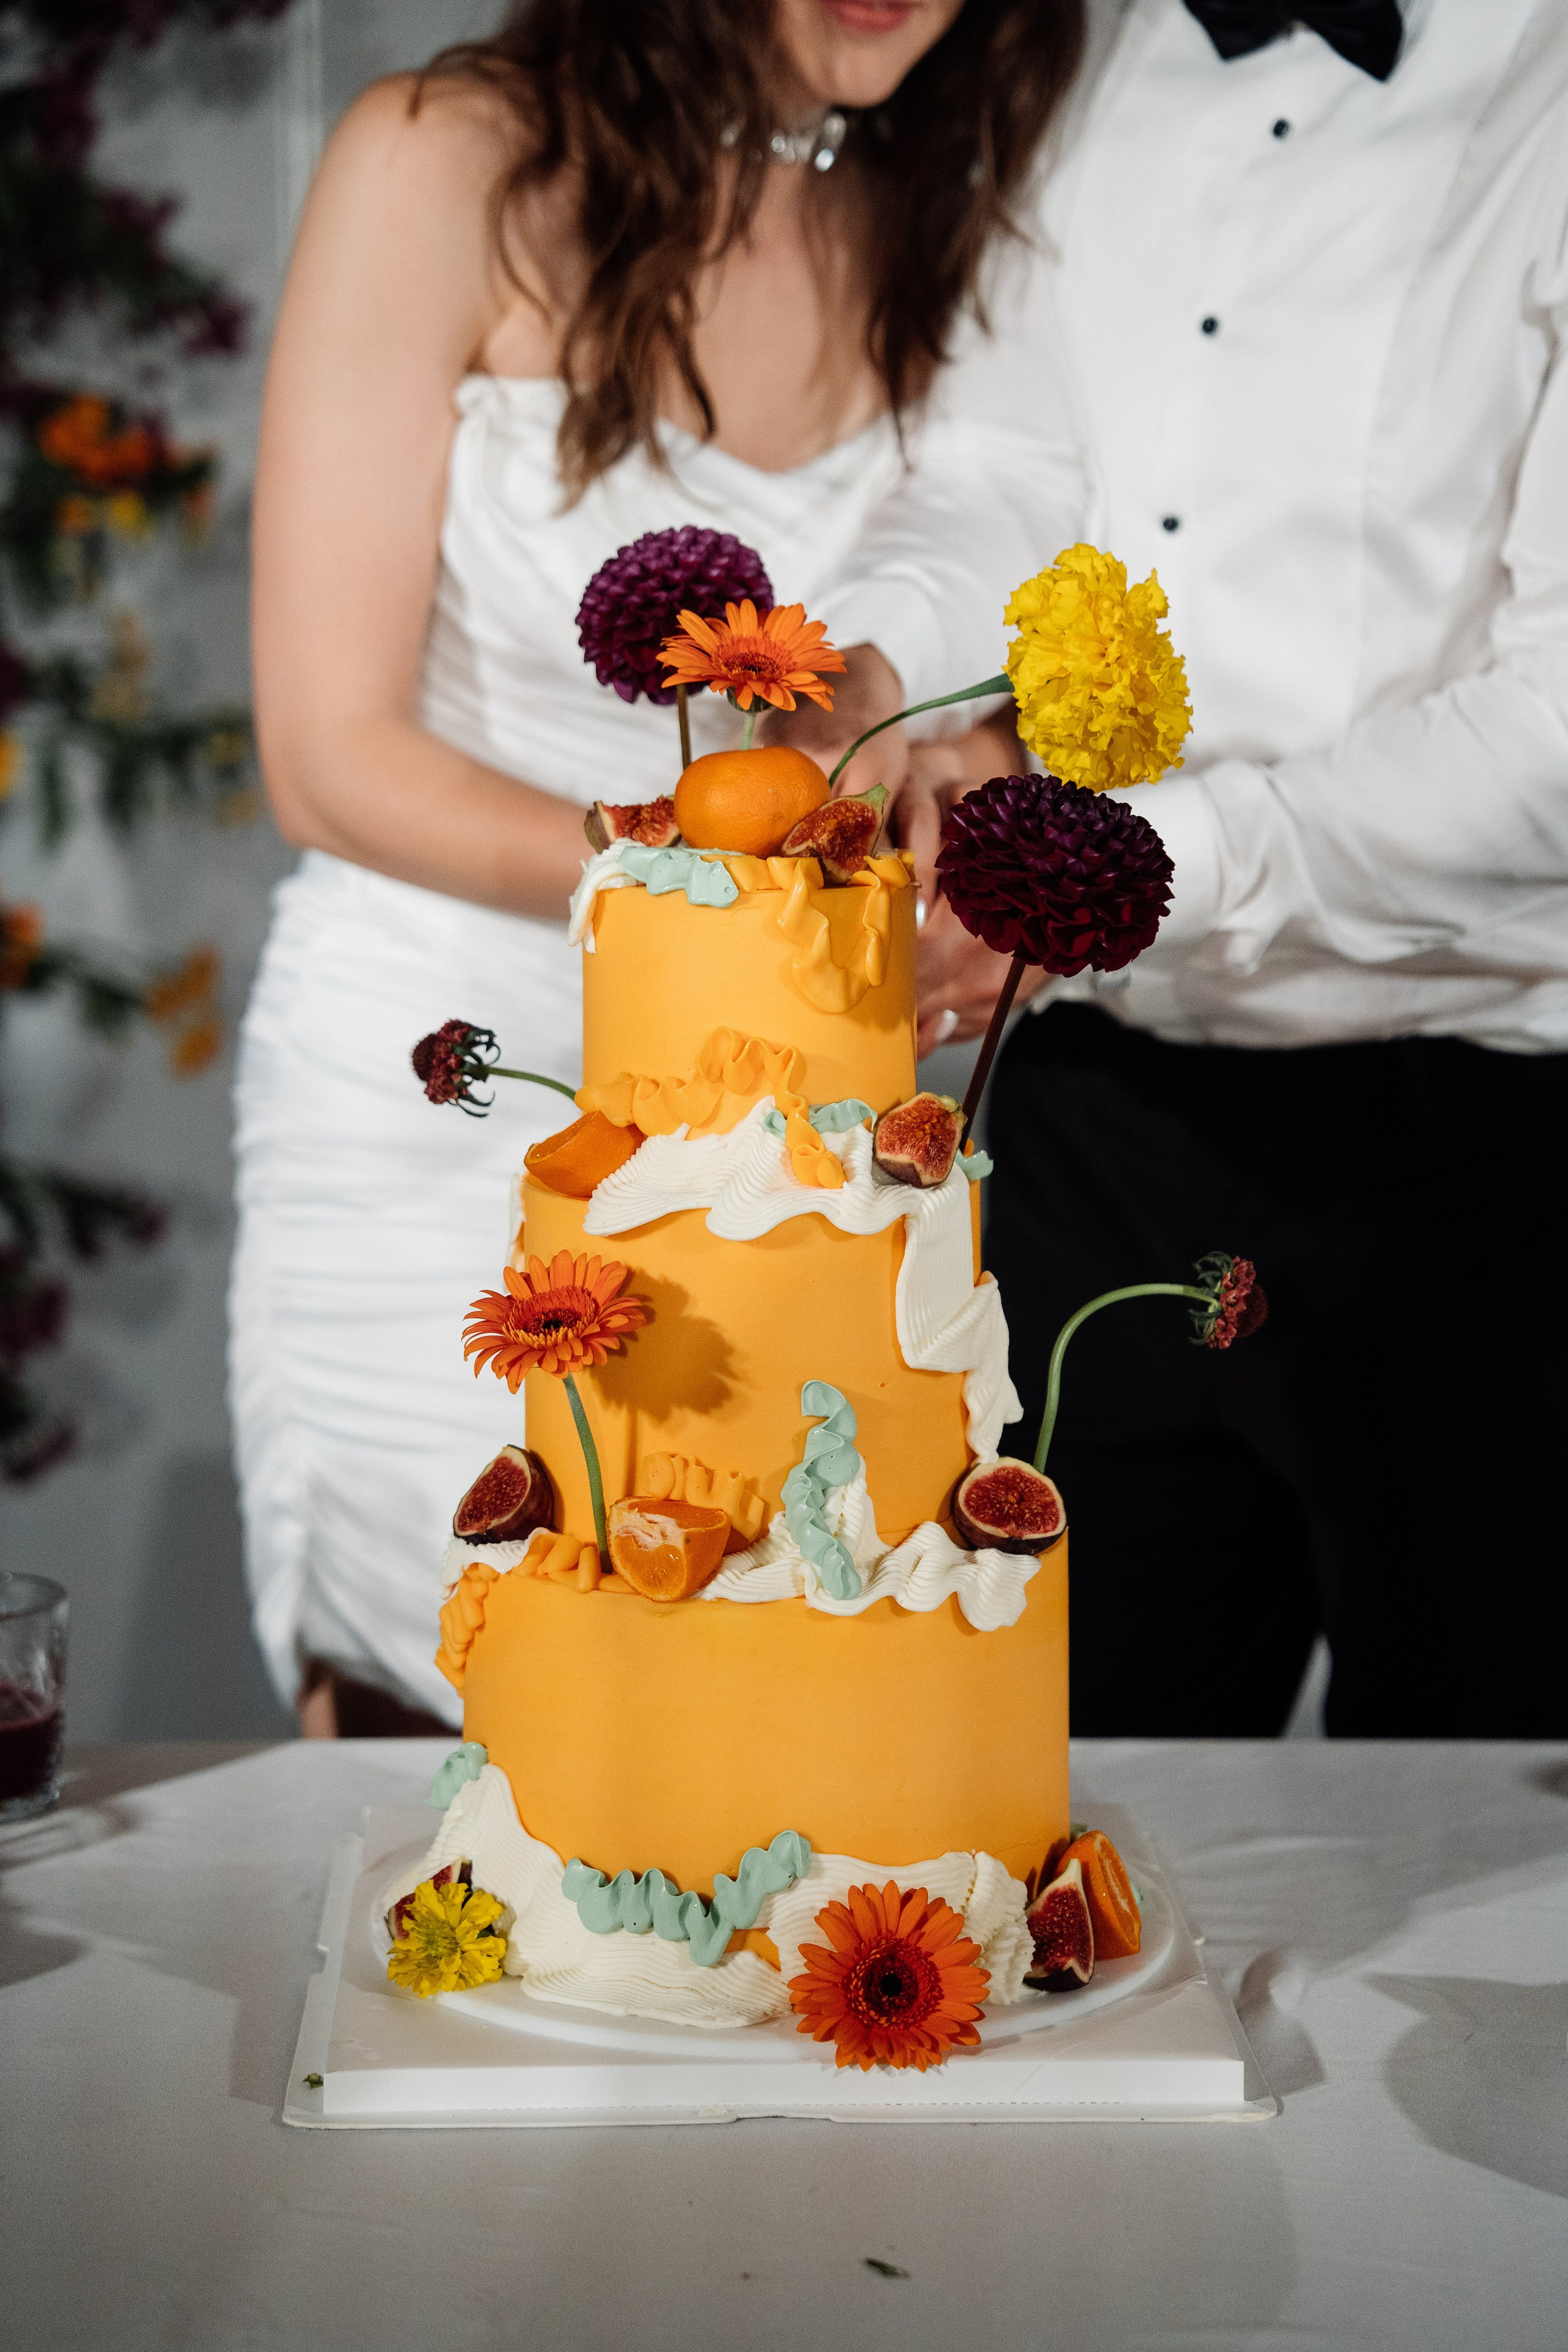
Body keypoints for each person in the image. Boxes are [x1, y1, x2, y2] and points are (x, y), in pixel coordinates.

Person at [235, 0, 1085, 1735]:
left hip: (805, 1139)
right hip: (451, 1105)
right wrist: (726, 900)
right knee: (468, 1729)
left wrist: (976, 795)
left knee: (755, 1760)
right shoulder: (444, 159)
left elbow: (958, 659)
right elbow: (327, 757)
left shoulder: (981, 199)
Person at [797, 0, 1568, 1737]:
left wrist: (1129, 872)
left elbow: (1558, 732)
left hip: (1488, 1157)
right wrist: (875, 681)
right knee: (1056, 1823)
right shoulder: (1075, 45)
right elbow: (1003, 463)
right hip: (1090, 1116)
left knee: (1479, 1897)